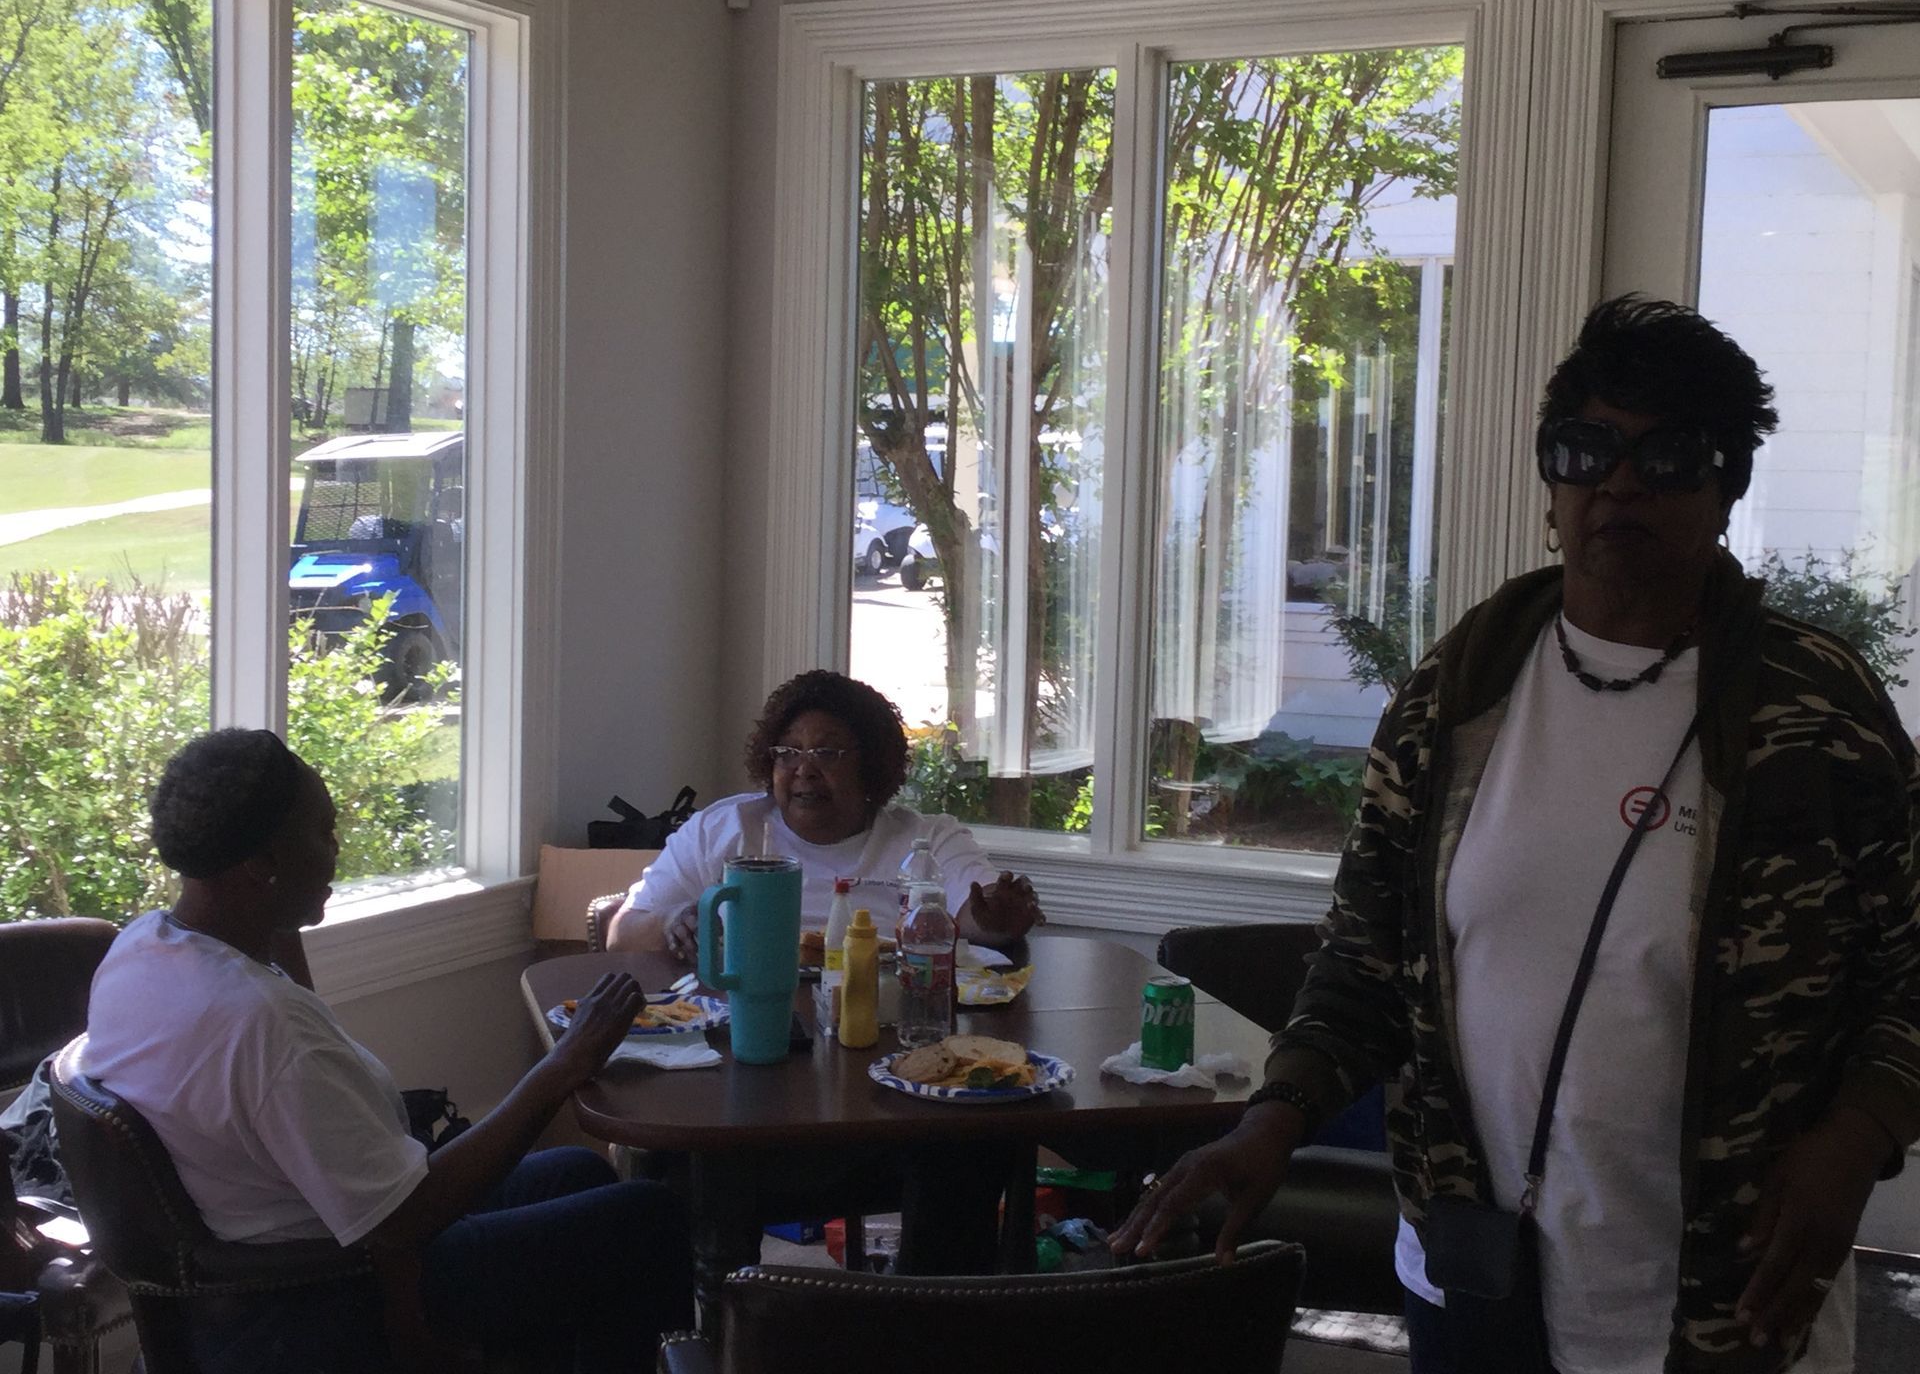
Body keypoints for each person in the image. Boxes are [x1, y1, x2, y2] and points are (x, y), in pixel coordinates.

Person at [1112, 296, 1920, 1374]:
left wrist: (1856, 1141)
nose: (1618, 483)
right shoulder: (1459, 695)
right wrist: (1275, 1118)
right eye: (1585, 449)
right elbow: (1364, 956)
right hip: (1474, 1277)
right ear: (1551, 485)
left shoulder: (1816, 711)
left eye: (1667, 457)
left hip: (1731, 1298)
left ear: (1726, 488)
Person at [80, 729, 693, 1373]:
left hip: (260, 1258)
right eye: (322, 832)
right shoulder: (260, 1026)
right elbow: (405, 1220)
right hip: (317, 1294)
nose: (336, 849)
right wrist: (563, 1066)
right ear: (261, 864)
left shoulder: (141, 948)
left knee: (576, 1172)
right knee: (643, 1219)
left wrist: (279, 917)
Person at [608, 669, 1045, 959]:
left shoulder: (928, 839)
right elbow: (621, 935)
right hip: (742, 1019)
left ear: (871, 764)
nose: (804, 770)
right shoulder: (723, 829)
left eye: (826, 753)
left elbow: (977, 916)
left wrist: (996, 917)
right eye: (788, 752)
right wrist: (672, 923)